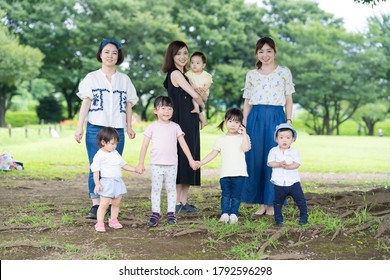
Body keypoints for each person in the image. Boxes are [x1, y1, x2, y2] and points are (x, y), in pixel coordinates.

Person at [74, 38, 139, 219]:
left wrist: (129, 127)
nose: (110, 56)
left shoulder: (124, 80)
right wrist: (79, 127)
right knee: (96, 166)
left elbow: (128, 105)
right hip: (96, 128)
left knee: (113, 166)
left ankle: (109, 203)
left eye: (114, 53)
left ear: (119, 56)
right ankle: (96, 204)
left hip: (117, 130)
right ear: (100, 54)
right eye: (106, 52)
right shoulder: (91, 78)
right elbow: (86, 103)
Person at [241, 36, 295, 217]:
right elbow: (247, 101)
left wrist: (288, 122)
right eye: (261, 51)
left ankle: (272, 203)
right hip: (255, 117)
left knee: (275, 158)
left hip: (276, 118)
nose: (265, 55)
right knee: (255, 158)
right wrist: (244, 123)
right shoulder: (251, 74)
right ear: (256, 54)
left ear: (275, 52)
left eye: (269, 51)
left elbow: (288, 99)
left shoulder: (284, 72)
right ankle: (260, 203)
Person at [136, 96, 198, 226]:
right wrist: (140, 163)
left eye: (170, 108)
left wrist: (191, 160)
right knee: (156, 189)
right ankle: (155, 213)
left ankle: (171, 213)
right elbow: (144, 146)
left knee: (171, 189)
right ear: (155, 111)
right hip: (156, 164)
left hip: (172, 164)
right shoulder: (152, 127)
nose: (166, 111)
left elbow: (183, 145)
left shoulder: (175, 127)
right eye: (163, 108)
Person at [162, 40, 205, 214]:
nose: (183, 57)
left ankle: (183, 202)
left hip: (190, 120)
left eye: (185, 53)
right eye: (178, 53)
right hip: (181, 121)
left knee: (190, 159)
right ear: (171, 56)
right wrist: (200, 98)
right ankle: (175, 203)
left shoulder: (184, 74)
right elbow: (195, 95)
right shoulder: (175, 74)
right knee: (181, 160)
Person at [196, 108, 251, 224]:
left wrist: (244, 133)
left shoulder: (243, 138)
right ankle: (225, 213)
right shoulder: (221, 139)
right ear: (225, 122)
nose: (233, 125)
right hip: (225, 174)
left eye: (237, 122)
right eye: (230, 121)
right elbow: (213, 153)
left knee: (236, 196)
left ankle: (234, 214)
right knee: (225, 195)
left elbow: (245, 148)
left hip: (240, 173)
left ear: (241, 124)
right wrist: (201, 162)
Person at [91, 127, 138, 232]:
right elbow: (95, 171)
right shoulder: (99, 155)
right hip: (106, 183)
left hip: (117, 182)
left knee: (116, 203)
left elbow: (124, 165)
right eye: (112, 143)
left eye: (116, 143)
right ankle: (99, 223)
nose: (115, 146)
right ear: (103, 142)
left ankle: (113, 220)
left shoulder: (115, 153)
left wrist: (135, 169)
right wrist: (97, 183)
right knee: (104, 204)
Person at [267, 123, 308, 226]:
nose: (284, 140)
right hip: (279, 182)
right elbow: (270, 163)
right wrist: (279, 164)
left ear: (293, 139)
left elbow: (297, 164)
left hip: (293, 181)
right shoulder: (273, 151)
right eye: (281, 137)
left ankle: (304, 217)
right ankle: (278, 220)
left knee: (300, 200)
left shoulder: (294, 151)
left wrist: (288, 166)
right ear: (276, 139)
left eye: (288, 137)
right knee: (277, 202)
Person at [185, 51, 213, 129]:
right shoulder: (189, 74)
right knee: (194, 98)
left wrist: (204, 89)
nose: (194, 65)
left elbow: (209, 83)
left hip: (203, 93)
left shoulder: (206, 75)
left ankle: (197, 109)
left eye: (197, 63)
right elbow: (189, 82)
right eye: (192, 62)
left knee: (195, 99)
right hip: (195, 93)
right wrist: (194, 88)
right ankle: (204, 121)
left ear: (203, 65)